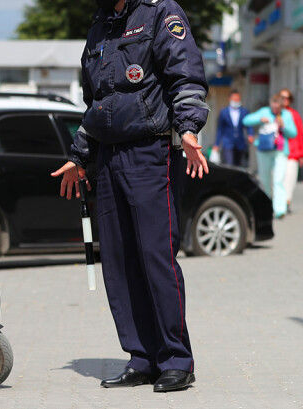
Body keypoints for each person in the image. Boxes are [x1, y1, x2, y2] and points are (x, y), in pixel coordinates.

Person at [51, 0, 209, 392]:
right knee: (119, 262)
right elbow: (98, 101)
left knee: (155, 256)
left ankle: (175, 359)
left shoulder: (160, 13)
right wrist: (80, 156)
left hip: (150, 153)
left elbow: (184, 76)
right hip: (107, 158)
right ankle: (141, 357)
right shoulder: (100, 24)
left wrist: (189, 128)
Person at [242, 94, 297, 219]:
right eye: (274, 107)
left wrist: (284, 126)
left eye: (278, 108)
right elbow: (246, 120)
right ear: (271, 104)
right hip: (264, 150)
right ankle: (267, 206)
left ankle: (279, 209)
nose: (275, 110)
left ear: (281, 106)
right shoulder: (264, 112)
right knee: (265, 180)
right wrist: (260, 120)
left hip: (280, 151)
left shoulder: (286, 115)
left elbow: (294, 133)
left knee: (278, 180)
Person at [213, 90, 253, 166]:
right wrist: (216, 144)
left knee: (238, 165)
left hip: (240, 143)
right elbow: (220, 129)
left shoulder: (244, 111)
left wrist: (250, 134)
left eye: (238, 99)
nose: (236, 101)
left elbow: (248, 125)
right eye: (234, 99)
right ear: (229, 99)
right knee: (229, 164)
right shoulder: (223, 112)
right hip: (228, 143)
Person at [280, 88, 303, 213]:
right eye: (282, 97)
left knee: (289, 179)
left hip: (292, 153)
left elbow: (300, 134)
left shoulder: (294, 115)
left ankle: (286, 202)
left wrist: (301, 154)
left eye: (287, 98)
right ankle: (279, 202)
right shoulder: (274, 112)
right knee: (278, 179)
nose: (284, 100)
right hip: (276, 151)